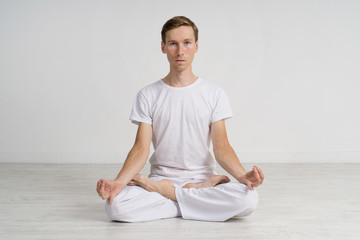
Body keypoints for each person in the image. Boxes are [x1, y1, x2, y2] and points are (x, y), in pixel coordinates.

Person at [96, 16, 265, 222]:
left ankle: (171, 194)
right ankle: (196, 197)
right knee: (116, 208)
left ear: (196, 46)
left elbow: (222, 148)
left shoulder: (214, 93)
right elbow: (141, 148)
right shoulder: (148, 94)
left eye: (187, 43)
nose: (180, 51)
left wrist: (241, 176)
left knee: (248, 200)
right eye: (173, 44)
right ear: (163, 47)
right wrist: (119, 182)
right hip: (161, 177)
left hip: (198, 177)